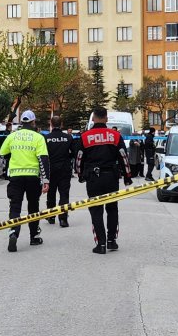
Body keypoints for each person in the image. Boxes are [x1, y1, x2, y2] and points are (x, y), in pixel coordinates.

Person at [77, 106, 132, 254]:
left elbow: (79, 158)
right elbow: (123, 157)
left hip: (93, 178)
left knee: (96, 210)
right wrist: (127, 177)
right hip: (111, 177)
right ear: (107, 119)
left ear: (93, 118)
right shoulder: (115, 135)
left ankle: (100, 244)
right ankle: (111, 241)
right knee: (112, 208)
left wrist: (80, 175)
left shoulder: (85, 136)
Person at [0, 110, 50, 253]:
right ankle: (34, 236)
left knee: (15, 207)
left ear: (21, 122)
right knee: (33, 207)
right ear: (33, 122)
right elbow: (43, 160)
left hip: (15, 177)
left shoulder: (12, 136)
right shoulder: (38, 137)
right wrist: (46, 180)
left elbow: (3, 153)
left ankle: (13, 233)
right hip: (33, 177)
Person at [44, 115, 75, 227]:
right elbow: (74, 153)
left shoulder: (46, 138)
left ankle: (51, 216)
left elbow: (44, 154)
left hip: (51, 169)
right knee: (64, 194)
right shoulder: (68, 137)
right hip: (64, 169)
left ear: (51, 124)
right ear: (61, 124)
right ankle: (63, 219)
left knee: (51, 194)